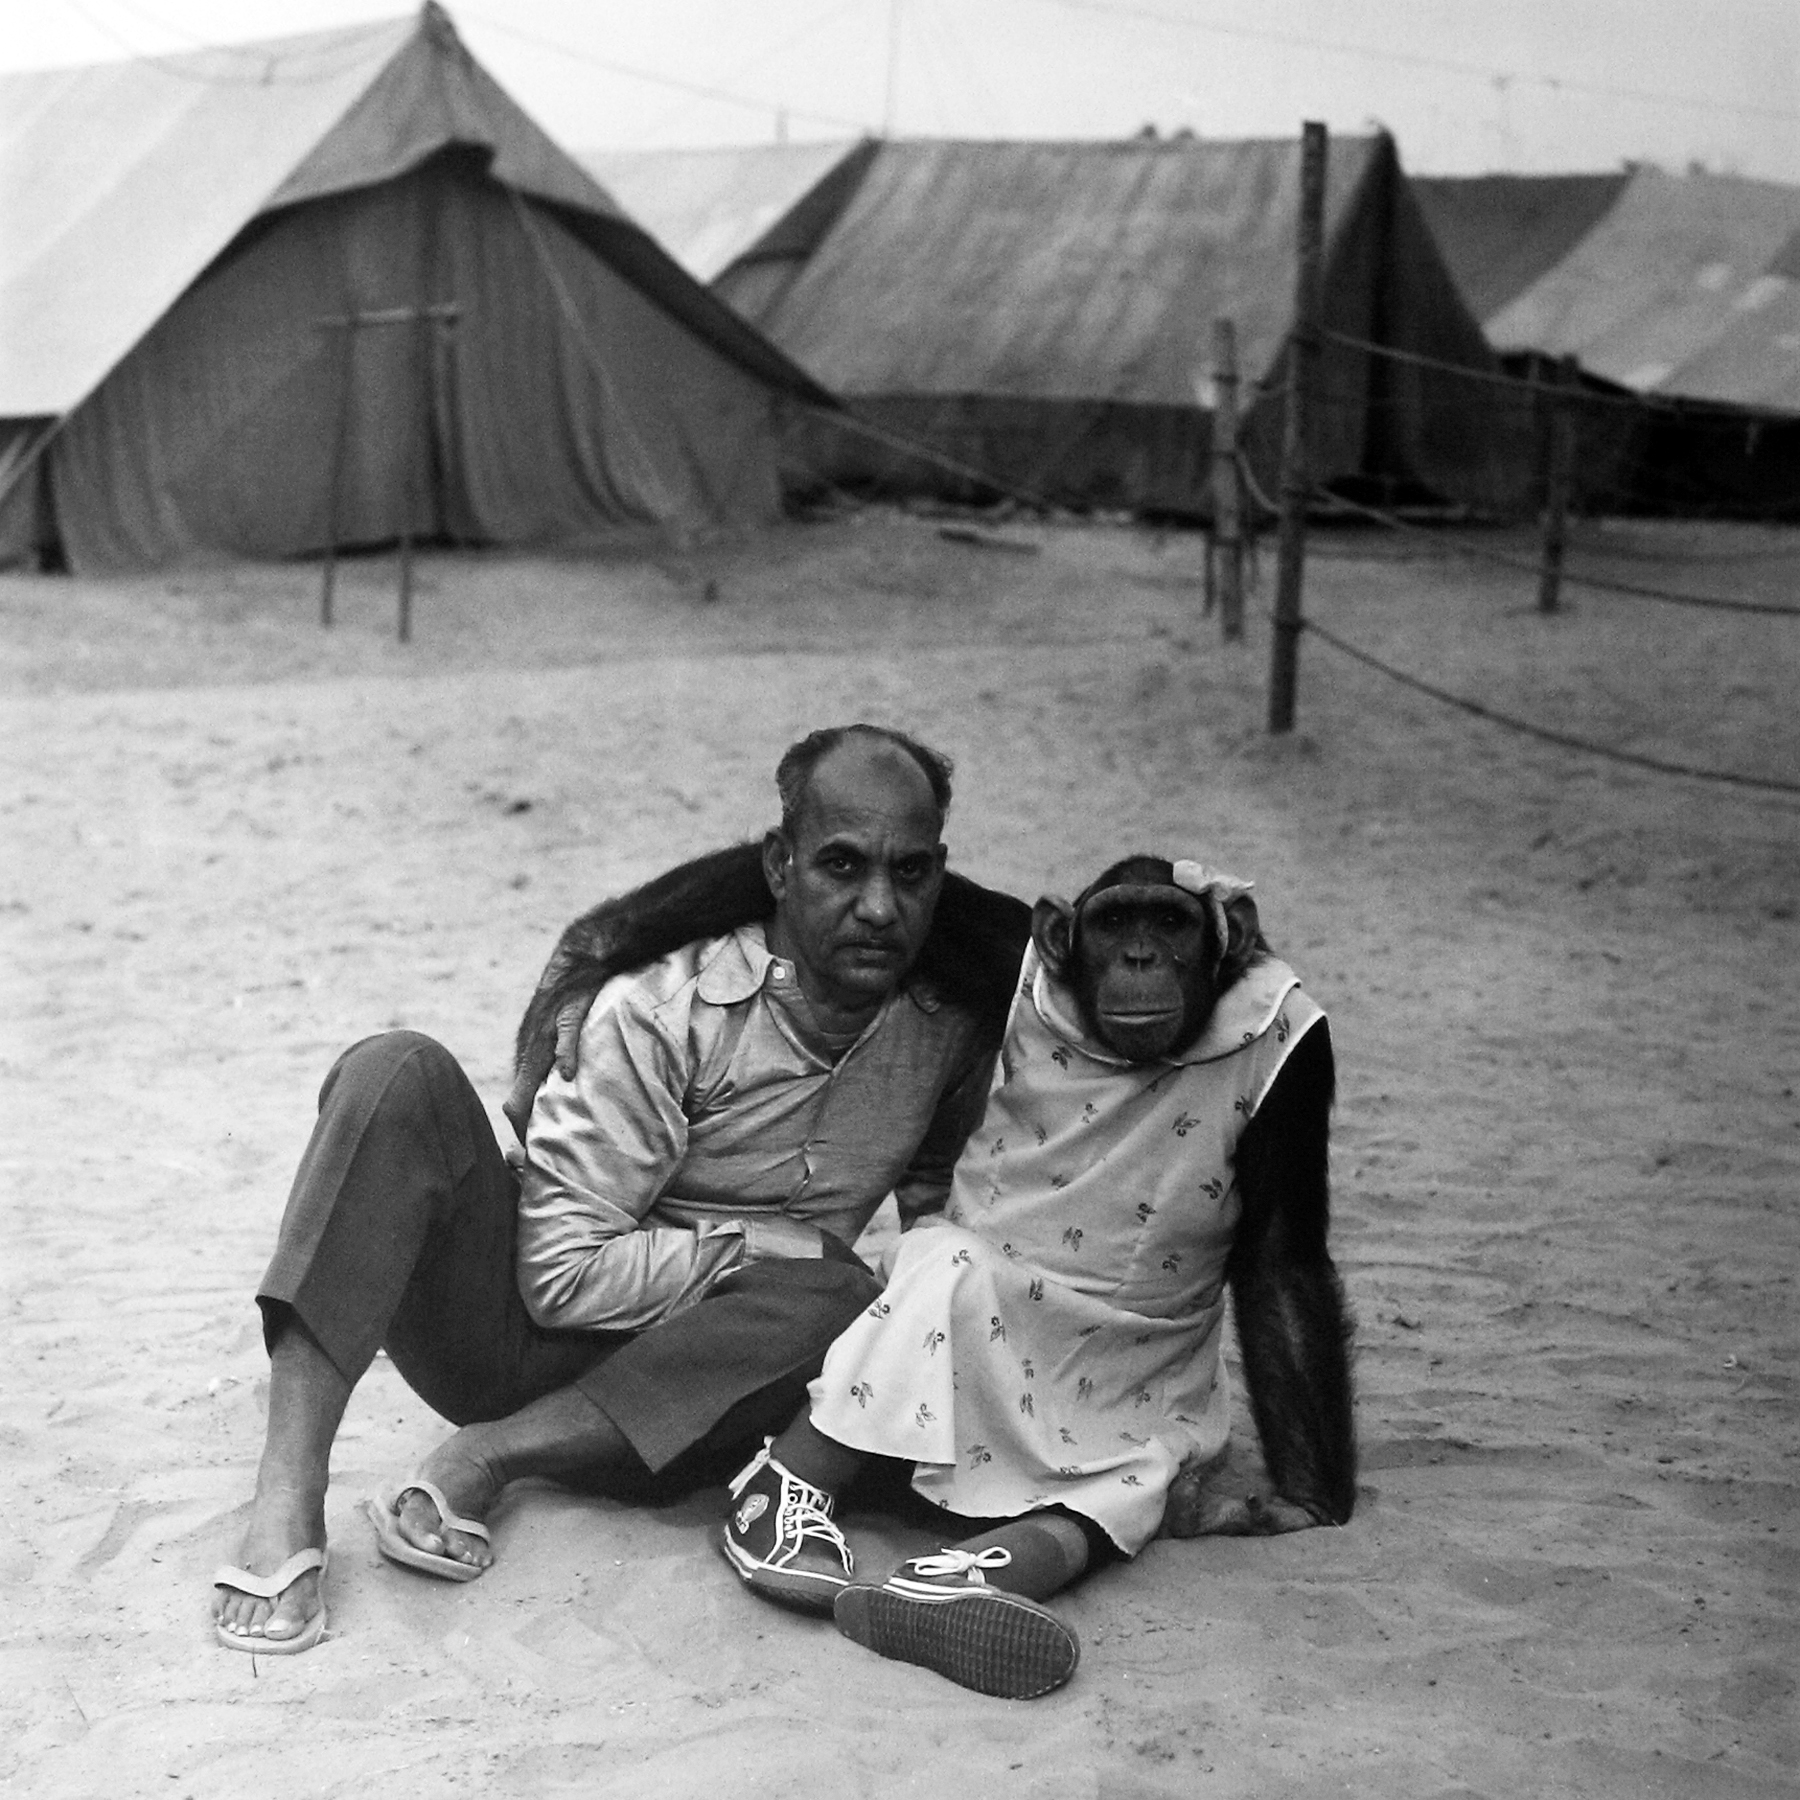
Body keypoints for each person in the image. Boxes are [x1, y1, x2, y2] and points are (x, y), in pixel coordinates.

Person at [211, 724, 997, 1654]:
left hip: (724, 1392)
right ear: (780, 868)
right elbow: (558, 1277)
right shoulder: (661, 1010)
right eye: (841, 867)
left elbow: (943, 1186)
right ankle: (288, 1493)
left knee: (846, 1291)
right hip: (518, 1343)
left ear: (941, 875)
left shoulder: (953, 1021)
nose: (878, 906)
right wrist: (752, 1248)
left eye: (910, 874)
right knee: (395, 1071)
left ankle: (493, 1459)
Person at [715, 856, 1349, 1701]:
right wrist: (584, 964)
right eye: (1117, 929)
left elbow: (1284, 1257)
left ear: (1223, 947)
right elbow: (783, 876)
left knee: (1139, 1479)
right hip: (981, 1306)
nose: (1140, 960)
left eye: (1169, 928)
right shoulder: (1022, 963)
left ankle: (964, 1580)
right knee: (940, 1269)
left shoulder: (1278, 1033)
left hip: (1138, 1354)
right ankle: (785, 1486)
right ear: (1063, 940)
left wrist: (1314, 1487)